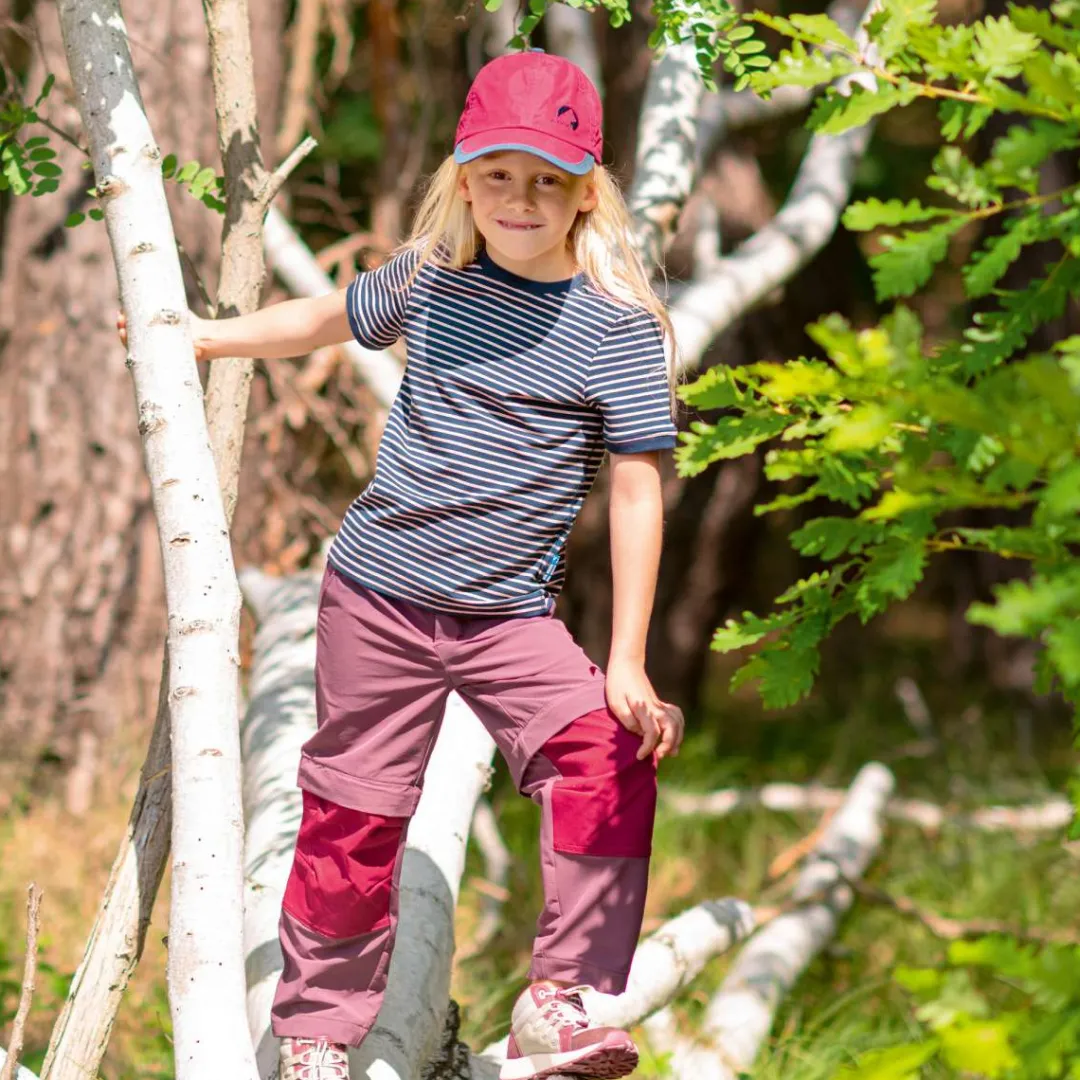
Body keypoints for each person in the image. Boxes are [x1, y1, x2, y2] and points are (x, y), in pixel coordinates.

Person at [124, 47, 685, 1080]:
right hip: (377, 599)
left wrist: (630, 657)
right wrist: (203, 340)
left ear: (584, 193)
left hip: (509, 620)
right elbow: (322, 318)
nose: (522, 198)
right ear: (465, 177)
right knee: (355, 818)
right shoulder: (430, 281)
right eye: (501, 174)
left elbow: (640, 489)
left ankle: (556, 1003)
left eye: (548, 180)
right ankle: (319, 1036)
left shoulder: (618, 333)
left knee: (610, 755)